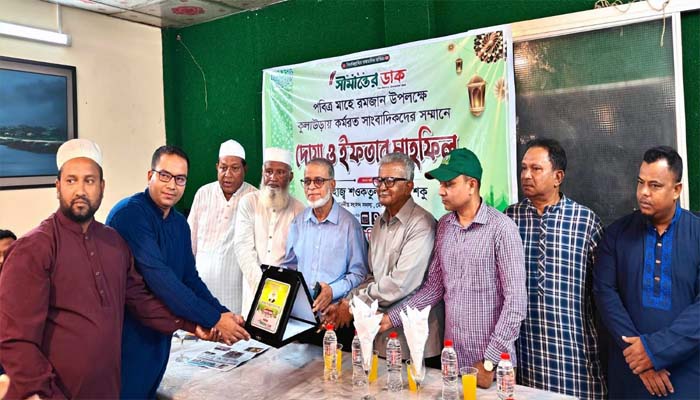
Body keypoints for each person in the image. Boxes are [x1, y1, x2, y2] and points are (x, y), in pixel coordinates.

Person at [0, 139, 204, 399]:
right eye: (71, 180)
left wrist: (189, 324)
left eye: (90, 180)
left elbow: (140, 301)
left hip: (108, 389)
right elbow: (16, 341)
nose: (80, 190)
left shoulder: (114, 243)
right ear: (58, 186)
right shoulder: (33, 248)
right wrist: (43, 392)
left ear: (102, 187)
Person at [107, 145, 249, 399]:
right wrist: (213, 319)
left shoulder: (179, 224)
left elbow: (189, 278)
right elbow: (161, 279)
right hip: (126, 337)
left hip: (160, 338)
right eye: (165, 176)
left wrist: (222, 313)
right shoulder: (130, 214)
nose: (172, 185)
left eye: (180, 179)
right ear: (149, 175)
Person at [379, 148, 526, 389]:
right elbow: (433, 289)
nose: (441, 191)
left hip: (493, 368)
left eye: (449, 184)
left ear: (472, 185)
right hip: (452, 361)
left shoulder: (502, 229)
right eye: (440, 184)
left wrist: (490, 362)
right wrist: (390, 318)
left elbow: (516, 304)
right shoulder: (445, 226)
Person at [594, 146, 699, 399]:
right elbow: (605, 295)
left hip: (684, 376)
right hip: (629, 373)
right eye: (640, 182)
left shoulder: (697, 234)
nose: (643, 192)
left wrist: (653, 351)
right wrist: (640, 359)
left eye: (655, 185)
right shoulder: (616, 235)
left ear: (677, 190)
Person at [505, 139, 606, 399]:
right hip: (525, 356)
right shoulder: (509, 219)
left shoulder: (585, 221)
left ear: (558, 177)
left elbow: (605, 292)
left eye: (536, 169)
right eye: (523, 168)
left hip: (574, 356)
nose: (526, 175)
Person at [323, 152, 444, 364]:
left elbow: (400, 284)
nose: (382, 187)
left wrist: (352, 305)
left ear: (409, 186)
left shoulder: (422, 224)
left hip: (414, 342)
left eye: (390, 180)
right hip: (380, 336)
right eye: (379, 180)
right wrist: (347, 301)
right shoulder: (380, 223)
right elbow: (372, 276)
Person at [281, 157, 368, 347]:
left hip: (336, 317)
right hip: (302, 320)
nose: (311, 187)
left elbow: (360, 275)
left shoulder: (350, 225)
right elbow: (289, 268)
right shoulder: (298, 223)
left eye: (318, 181)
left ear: (332, 185)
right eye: (307, 181)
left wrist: (332, 290)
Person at [188, 139, 257, 313]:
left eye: (235, 168)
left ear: (245, 169)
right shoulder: (203, 194)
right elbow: (189, 243)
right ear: (216, 167)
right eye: (223, 167)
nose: (228, 174)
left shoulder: (255, 199)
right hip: (201, 293)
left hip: (237, 298)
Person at [234, 147, 304, 318]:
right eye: (269, 171)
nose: (273, 177)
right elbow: (243, 249)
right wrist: (262, 287)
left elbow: (298, 258)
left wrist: (278, 291)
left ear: (290, 177)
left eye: (280, 172)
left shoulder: (299, 210)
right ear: (262, 172)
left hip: (285, 295)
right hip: (253, 292)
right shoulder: (248, 203)